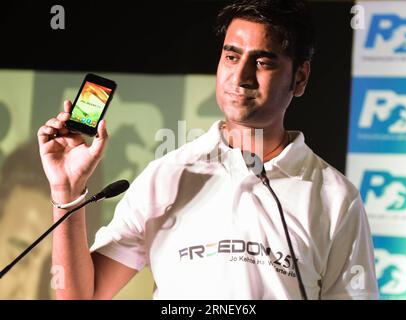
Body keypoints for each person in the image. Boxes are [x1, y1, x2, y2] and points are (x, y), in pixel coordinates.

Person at [37, 0, 379, 299]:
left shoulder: (335, 197)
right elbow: (83, 295)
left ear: (300, 78)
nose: (241, 76)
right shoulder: (167, 174)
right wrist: (67, 190)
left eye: (263, 62)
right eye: (232, 56)